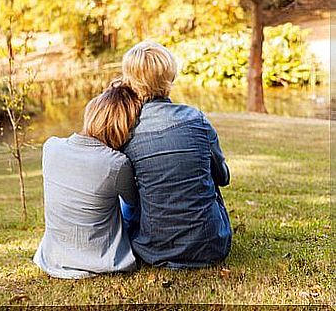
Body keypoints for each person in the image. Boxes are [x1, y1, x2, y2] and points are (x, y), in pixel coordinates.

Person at [120, 40, 232, 269]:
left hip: (152, 251)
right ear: (170, 76)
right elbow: (223, 178)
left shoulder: (127, 131)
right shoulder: (196, 119)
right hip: (212, 246)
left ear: (130, 81)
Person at [33, 83, 142, 279]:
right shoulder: (116, 163)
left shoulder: (50, 147)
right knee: (134, 205)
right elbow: (134, 203)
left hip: (53, 257)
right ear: (123, 127)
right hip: (100, 260)